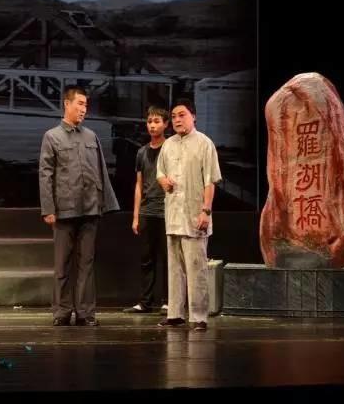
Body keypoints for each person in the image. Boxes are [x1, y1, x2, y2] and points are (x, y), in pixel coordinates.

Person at [39, 85, 119, 327]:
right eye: (80, 104)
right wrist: (48, 209)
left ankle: (85, 313)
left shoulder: (91, 136)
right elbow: (45, 175)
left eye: (86, 105)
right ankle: (62, 312)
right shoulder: (52, 136)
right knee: (62, 265)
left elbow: (101, 171)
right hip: (64, 210)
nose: (84, 109)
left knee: (86, 264)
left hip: (90, 209)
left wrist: (105, 203)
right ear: (67, 104)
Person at [156, 98, 221, 331]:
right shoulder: (168, 144)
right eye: (174, 116)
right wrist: (163, 180)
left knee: (196, 268)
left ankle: (198, 316)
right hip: (173, 214)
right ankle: (175, 314)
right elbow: (160, 172)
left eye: (181, 115)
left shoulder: (204, 143)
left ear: (193, 116)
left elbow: (210, 181)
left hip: (195, 214)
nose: (177, 120)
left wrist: (206, 211)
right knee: (174, 268)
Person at [123, 106, 169, 314]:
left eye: (157, 121)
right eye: (150, 121)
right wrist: (136, 216)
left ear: (165, 124)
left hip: (167, 211)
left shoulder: (170, 149)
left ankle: (169, 301)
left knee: (168, 259)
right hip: (147, 211)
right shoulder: (142, 152)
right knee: (146, 259)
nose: (152, 125)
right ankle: (145, 302)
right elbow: (139, 185)